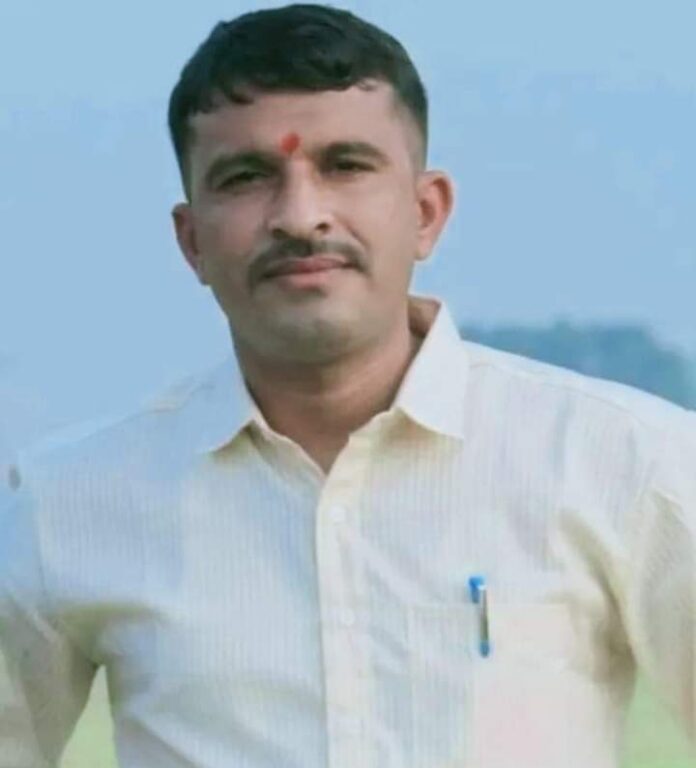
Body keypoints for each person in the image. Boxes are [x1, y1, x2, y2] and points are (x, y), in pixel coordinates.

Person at [1, 4, 694, 767]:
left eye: (346, 166)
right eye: (246, 177)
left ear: (426, 213)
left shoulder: (623, 463)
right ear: (191, 240)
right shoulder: (67, 505)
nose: (301, 217)